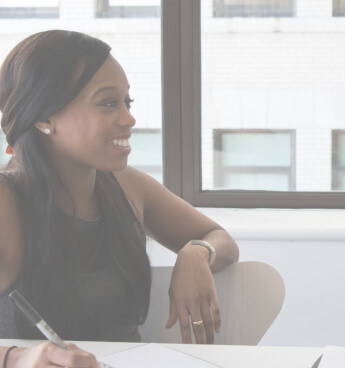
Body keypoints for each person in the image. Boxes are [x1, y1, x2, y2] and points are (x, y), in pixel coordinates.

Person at [0, 30, 239, 367]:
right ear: (43, 117)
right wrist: (17, 359)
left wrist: (195, 253)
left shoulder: (126, 185)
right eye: (108, 103)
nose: (129, 119)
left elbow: (221, 239)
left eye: (127, 102)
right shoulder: (6, 202)